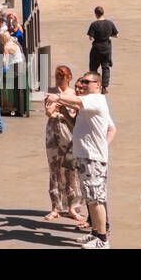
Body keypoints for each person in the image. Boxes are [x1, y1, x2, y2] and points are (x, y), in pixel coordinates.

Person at [46, 72, 116, 248]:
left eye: (87, 82)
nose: (83, 85)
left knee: (96, 199)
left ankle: (102, 239)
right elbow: (76, 126)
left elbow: (77, 101)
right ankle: (95, 233)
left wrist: (58, 97)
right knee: (90, 199)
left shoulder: (96, 99)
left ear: (98, 85)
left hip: (92, 158)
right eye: (82, 81)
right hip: (85, 155)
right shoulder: (89, 102)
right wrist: (64, 112)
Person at [43, 65, 84, 223]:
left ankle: (73, 206)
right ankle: (55, 207)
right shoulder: (51, 91)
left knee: (70, 170)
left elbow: (74, 115)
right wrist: (54, 107)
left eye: (62, 77)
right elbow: (49, 112)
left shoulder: (74, 94)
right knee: (54, 169)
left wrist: (62, 107)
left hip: (68, 132)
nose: (59, 80)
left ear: (69, 78)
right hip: (52, 132)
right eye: (57, 77)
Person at [85, 6, 118, 93]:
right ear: (103, 13)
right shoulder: (110, 23)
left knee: (93, 67)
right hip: (106, 47)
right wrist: (107, 35)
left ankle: (93, 85)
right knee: (105, 67)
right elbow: (116, 35)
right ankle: (104, 87)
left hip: (96, 48)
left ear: (96, 14)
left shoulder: (94, 24)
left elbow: (90, 38)